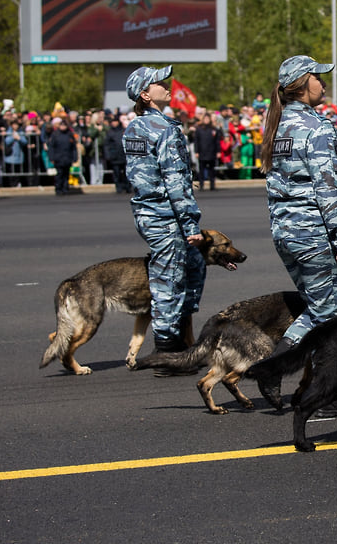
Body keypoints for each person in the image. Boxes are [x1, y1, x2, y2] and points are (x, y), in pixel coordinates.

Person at [256, 55, 337, 413]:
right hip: (315, 233)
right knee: (331, 314)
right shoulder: (317, 127)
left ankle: (277, 368)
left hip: (287, 232)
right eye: (318, 77)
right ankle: (324, 394)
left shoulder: (277, 126)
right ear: (301, 84)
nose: (324, 83)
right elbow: (330, 189)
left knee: (325, 307)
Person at [124, 65, 206, 355]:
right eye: (158, 82)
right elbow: (175, 181)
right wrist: (190, 224)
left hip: (148, 210)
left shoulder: (134, 127)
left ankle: (180, 333)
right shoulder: (164, 129)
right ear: (145, 94)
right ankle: (167, 350)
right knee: (169, 279)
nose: (166, 85)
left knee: (192, 267)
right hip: (165, 214)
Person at [46, 118, 77, 195]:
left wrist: (74, 157)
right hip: (58, 158)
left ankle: (65, 188)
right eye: (62, 125)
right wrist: (52, 157)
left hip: (67, 157)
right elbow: (51, 147)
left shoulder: (69, 134)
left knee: (66, 174)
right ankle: (58, 189)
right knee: (59, 174)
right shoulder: (55, 134)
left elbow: (73, 147)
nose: (63, 127)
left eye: (64, 125)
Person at [194, 113, 222, 190]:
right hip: (202, 152)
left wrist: (218, 151)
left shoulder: (214, 129)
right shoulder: (199, 129)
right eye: (205, 119)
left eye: (208, 119)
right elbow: (196, 141)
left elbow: (217, 141)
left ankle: (212, 185)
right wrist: (196, 151)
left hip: (211, 152)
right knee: (202, 170)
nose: (206, 120)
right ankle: (201, 185)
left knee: (212, 170)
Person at [102, 116, 128, 193]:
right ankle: (119, 187)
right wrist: (108, 155)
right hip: (115, 156)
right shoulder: (110, 133)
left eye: (115, 121)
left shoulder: (123, 131)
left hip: (123, 155)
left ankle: (127, 187)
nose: (114, 123)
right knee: (117, 173)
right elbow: (106, 145)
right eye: (112, 122)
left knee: (126, 173)